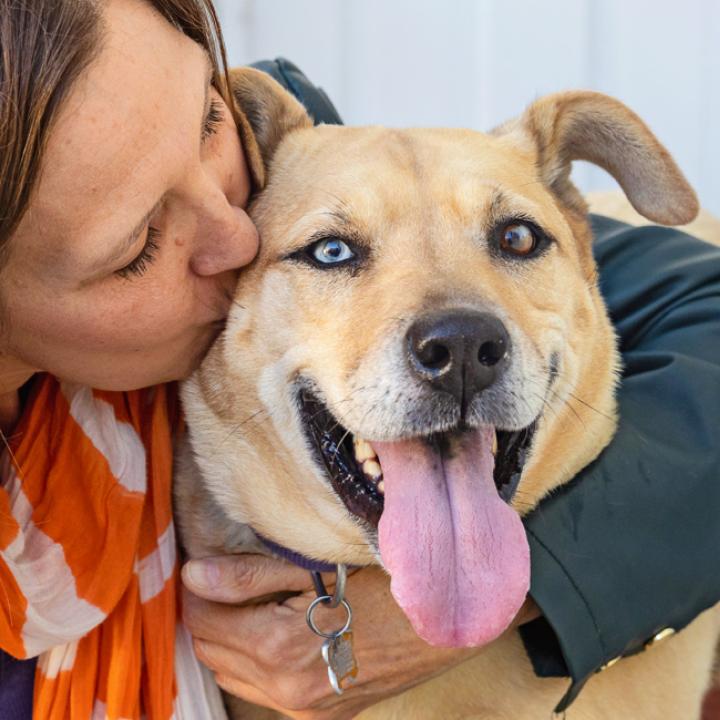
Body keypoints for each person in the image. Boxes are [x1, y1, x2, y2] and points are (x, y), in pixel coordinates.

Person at [0, 2, 718, 719]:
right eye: (139, 245)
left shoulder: (280, 153)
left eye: (206, 121)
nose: (237, 236)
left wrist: (536, 584)